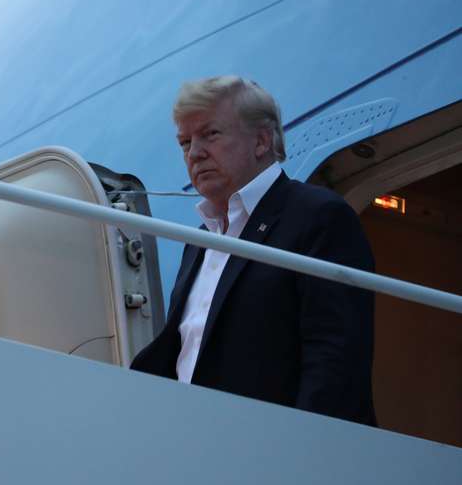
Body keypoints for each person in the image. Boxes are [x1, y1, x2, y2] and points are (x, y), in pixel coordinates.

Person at [131, 76, 376, 425]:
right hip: (201, 449)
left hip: (282, 459)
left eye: (210, 134)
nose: (195, 153)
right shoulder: (200, 241)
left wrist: (301, 454)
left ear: (261, 141)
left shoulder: (318, 217)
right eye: (185, 142)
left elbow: (335, 358)